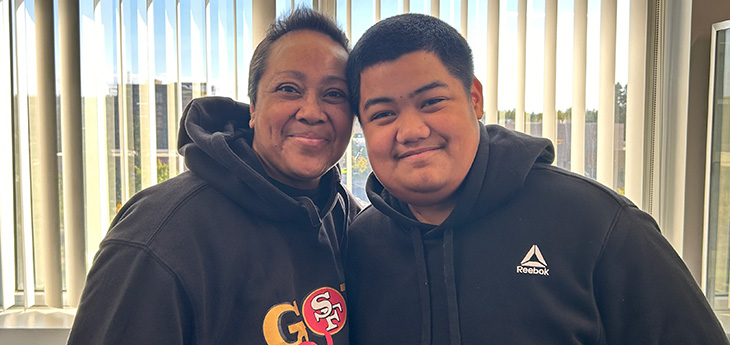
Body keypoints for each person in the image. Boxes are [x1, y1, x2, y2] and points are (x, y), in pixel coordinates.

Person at [343, 13, 729, 345]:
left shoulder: (598, 224)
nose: (410, 130)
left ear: (474, 99)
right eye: (382, 115)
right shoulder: (360, 244)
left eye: (431, 102)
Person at [67, 8, 359, 345]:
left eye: (334, 94)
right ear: (253, 108)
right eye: (288, 89)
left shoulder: (345, 217)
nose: (311, 112)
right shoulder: (161, 234)